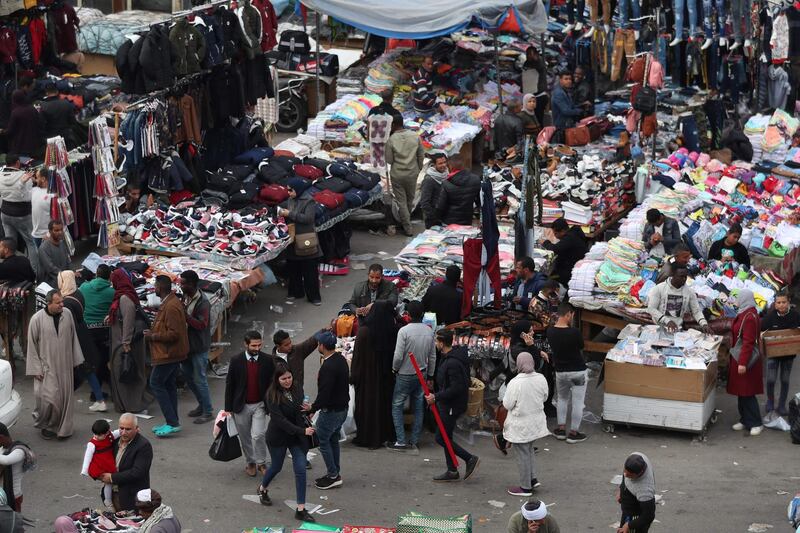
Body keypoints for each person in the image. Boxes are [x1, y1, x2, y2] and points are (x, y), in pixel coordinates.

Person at [258, 363, 316, 522]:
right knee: (276, 466)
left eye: (289, 377)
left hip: (297, 438)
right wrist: (302, 431)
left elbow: (298, 409)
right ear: (277, 379)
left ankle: (301, 509)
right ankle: (263, 488)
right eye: (283, 378)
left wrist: (308, 411)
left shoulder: (297, 388)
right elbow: (279, 421)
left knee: (301, 470)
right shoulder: (271, 395)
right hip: (278, 436)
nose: (288, 381)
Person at [26, 289, 84, 439]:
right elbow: (31, 345)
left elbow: (73, 337)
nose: (61, 305)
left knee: (65, 399)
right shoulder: (37, 319)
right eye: (58, 303)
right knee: (50, 399)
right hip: (47, 366)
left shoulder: (67, 314)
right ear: (49, 303)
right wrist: (36, 368)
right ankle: (48, 424)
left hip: (65, 365)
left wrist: (76, 360)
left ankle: (63, 429)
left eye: (62, 302)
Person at [426, 329, 480, 482]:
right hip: (448, 403)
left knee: (441, 437)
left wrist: (436, 397)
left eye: (437, 341)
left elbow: (457, 388)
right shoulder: (450, 358)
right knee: (446, 436)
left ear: (442, 343)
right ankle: (451, 470)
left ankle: (469, 459)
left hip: (451, 405)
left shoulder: (453, 362)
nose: (436, 344)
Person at [388, 301, 436, 452]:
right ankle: (414, 440)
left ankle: (401, 440)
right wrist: (430, 376)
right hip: (421, 373)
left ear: (407, 314)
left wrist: (395, 369)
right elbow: (432, 356)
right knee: (418, 407)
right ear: (422, 314)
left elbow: (398, 355)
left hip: (404, 374)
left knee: (397, 405)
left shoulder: (404, 331)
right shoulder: (429, 331)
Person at [225, 330, 274, 477]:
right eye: (253, 346)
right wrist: (228, 408)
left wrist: (271, 404)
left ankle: (261, 462)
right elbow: (230, 384)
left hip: (260, 404)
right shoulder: (236, 360)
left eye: (259, 345)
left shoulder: (267, 360)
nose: (257, 348)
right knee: (245, 437)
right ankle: (250, 462)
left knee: (258, 435)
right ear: (245, 344)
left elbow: (272, 383)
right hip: (241, 405)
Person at [145, 275, 189, 438]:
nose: (153, 289)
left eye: (155, 286)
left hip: (169, 353)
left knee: (156, 382)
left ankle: (172, 422)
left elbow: (174, 334)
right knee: (169, 383)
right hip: (172, 353)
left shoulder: (170, 307)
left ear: (159, 288)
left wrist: (152, 336)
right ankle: (173, 421)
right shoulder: (169, 303)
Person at [350, 301, 398, 449]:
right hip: (386, 377)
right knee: (384, 407)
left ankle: (368, 437)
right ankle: (385, 434)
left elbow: (357, 358)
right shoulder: (393, 330)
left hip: (367, 379)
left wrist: (354, 377)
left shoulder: (364, 331)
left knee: (368, 407)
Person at [503, 351, 550, 497]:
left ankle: (525, 487)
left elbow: (507, 404)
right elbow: (545, 397)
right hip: (536, 422)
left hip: (521, 425)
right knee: (529, 450)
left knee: (523, 453)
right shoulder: (541, 378)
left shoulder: (515, 382)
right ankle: (532, 478)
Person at [307, 331, 349, 490]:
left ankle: (333, 475)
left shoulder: (328, 367)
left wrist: (313, 408)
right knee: (332, 440)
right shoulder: (341, 359)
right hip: (342, 409)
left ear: (322, 346)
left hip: (331, 411)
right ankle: (335, 472)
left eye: (318, 343)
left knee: (323, 440)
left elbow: (324, 393)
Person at [58, 270, 105, 412]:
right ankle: (99, 399)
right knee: (86, 368)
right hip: (83, 333)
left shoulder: (66, 302)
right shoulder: (78, 294)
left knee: (79, 369)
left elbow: (66, 324)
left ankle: (63, 400)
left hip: (76, 337)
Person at [108, 268, 151, 414]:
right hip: (121, 342)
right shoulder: (123, 295)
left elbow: (128, 320)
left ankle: (130, 405)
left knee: (126, 372)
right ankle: (125, 404)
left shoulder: (125, 298)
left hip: (124, 343)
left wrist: (126, 343)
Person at [546, 303, 588, 444]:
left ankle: (561, 429)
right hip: (578, 371)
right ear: (568, 314)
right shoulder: (574, 332)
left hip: (560, 372)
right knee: (578, 403)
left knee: (562, 399)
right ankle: (573, 433)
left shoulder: (550, 332)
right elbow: (581, 346)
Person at [278, 181, 322, 305]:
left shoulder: (309, 201)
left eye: (291, 190)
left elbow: (308, 218)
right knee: (293, 267)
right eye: (288, 190)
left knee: (310, 269)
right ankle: (296, 292)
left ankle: (314, 297)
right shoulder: (290, 200)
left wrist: (289, 214)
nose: (288, 192)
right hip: (293, 237)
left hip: (305, 238)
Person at [178, 270, 212, 424]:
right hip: (187, 346)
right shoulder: (186, 297)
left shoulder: (203, 302)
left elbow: (201, 325)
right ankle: (201, 404)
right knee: (188, 377)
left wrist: (185, 316)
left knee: (200, 379)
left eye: (184, 283)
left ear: (192, 284)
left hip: (198, 347)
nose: (181, 285)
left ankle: (208, 411)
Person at [729, 289, 764, 436]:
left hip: (746, 360)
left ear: (744, 299)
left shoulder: (749, 316)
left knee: (747, 392)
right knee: (741, 392)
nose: (736, 300)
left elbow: (749, 342)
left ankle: (756, 422)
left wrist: (742, 363)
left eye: (738, 297)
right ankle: (745, 419)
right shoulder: (745, 312)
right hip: (741, 358)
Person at [760, 292, 800, 415]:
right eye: (779, 302)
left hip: (789, 355)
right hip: (773, 354)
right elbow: (762, 332)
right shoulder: (769, 317)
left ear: (788, 302)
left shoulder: (795, 316)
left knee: (785, 380)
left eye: (784, 302)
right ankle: (770, 401)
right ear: (775, 304)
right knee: (771, 379)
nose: (781, 305)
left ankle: (782, 405)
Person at [386, 114, 424, 236]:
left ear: (393, 125)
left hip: (397, 174)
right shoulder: (415, 136)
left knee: (401, 201)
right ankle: (407, 222)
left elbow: (389, 160)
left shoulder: (391, 139)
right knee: (410, 199)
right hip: (412, 172)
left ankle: (407, 226)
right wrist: (418, 169)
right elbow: (421, 155)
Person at [105, 413, 152, 512]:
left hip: (131, 499)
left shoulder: (144, 446)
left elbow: (137, 472)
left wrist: (111, 478)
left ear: (137, 428)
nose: (124, 432)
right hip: (114, 493)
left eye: (128, 429)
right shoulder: (115, 441)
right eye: (121, 428)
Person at [80, 263, 115, 390]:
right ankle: (100, 391)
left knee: (93, 360)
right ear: (109, 277)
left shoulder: (84, 287)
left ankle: (102, 388)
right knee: (102, 360)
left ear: (96, 274)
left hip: (87, 330)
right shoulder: (112, 292)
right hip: (103, 331)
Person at [0, 157, 37, 275]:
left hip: (5, 212)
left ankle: (12, 272)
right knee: (31, 242)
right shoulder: (24, 176)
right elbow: (28, 196)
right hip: (22, 214)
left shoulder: (0, 175)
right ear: (17, 163)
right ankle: (34, 272)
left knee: (10, 245)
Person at [646, 266, 712, 333]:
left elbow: (696, 311)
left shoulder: (690, 292)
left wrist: (704, 324)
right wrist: (667, 321)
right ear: (672, 275)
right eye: (681, 276)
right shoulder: (658, 289)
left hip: (676, 329)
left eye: (685, 277)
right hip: (658, 328)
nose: (684, 279)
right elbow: (651, 309)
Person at [80, 419, 118, 507]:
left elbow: (117, 433)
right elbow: (87, 457)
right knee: (108, 482)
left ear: (107, 432)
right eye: (95, 434)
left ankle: (108, 498)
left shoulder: (109, 436)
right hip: (101, 466)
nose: (96, 436)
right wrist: (84, 470)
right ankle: (108, 500)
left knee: (110, 482)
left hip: (109, 463)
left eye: (99, 435)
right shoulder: (92, 444)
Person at [617, 453, 656, 533]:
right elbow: (626, 475)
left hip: (635, 517)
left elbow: (649, 515)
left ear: (639, 473)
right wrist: (620, 489)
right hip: (627, 511)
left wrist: (629, 525)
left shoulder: (645, 490)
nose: (625, 475)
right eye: (625, 470)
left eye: (630, 475)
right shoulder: (635, 456)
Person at [542, 219, 588, 287]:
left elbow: (555, 249)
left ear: (563, 231)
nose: (555, 236)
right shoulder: (574, 234)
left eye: (556, 233)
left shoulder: (570, 238)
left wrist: (545, 242)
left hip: (570, 272)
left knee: (548, 278)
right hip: (574, 267)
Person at [0, 423, 34, 511]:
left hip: (14, 496)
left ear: (1, 437)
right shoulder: (3, 449)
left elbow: (6, 460)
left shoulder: (19, 450)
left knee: (14, 521)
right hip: (3, 495)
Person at [38, 82, 79, 149]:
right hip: (66, 138)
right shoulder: (66, 104)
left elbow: (42, 126)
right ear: (57, 92)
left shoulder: (43, 107)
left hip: (52, 140)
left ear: (47, 93)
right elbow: (73, 122)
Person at [6, 89, 44, 159]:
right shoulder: (32, 109)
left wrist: (3, 131)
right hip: (34, 145)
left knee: (23, 166)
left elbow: (10, 130)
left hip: (20, 146)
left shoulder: (15, 112)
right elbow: (40, 124)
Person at [38, 220, 71, 288]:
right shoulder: (43, 248)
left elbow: (68, 261)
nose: (60, 232)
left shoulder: (62, 243)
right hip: (51, 283)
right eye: (56, 230)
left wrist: (72, 273)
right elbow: (51, 269)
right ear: (50, 231)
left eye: (61, 230)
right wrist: (66, 276)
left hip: (64, 278)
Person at [419, 153, 448, 229]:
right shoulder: (429, 180)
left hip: (445, 217)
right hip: (434, 221)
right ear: (434, 164)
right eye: (440, 163)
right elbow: (424, 202)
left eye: (445, 162)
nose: (444, 165)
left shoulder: (446, 174)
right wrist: (434, 217)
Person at [30, 169, 52, 249]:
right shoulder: (34, 190)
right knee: (40, 259)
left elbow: (58, 217)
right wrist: (22, 183)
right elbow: (20, 195)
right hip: (35, 234)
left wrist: (49, 234)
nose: (35, 179)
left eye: (37, 177)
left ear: (43, 179)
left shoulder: (52, 194)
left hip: (47, 235)